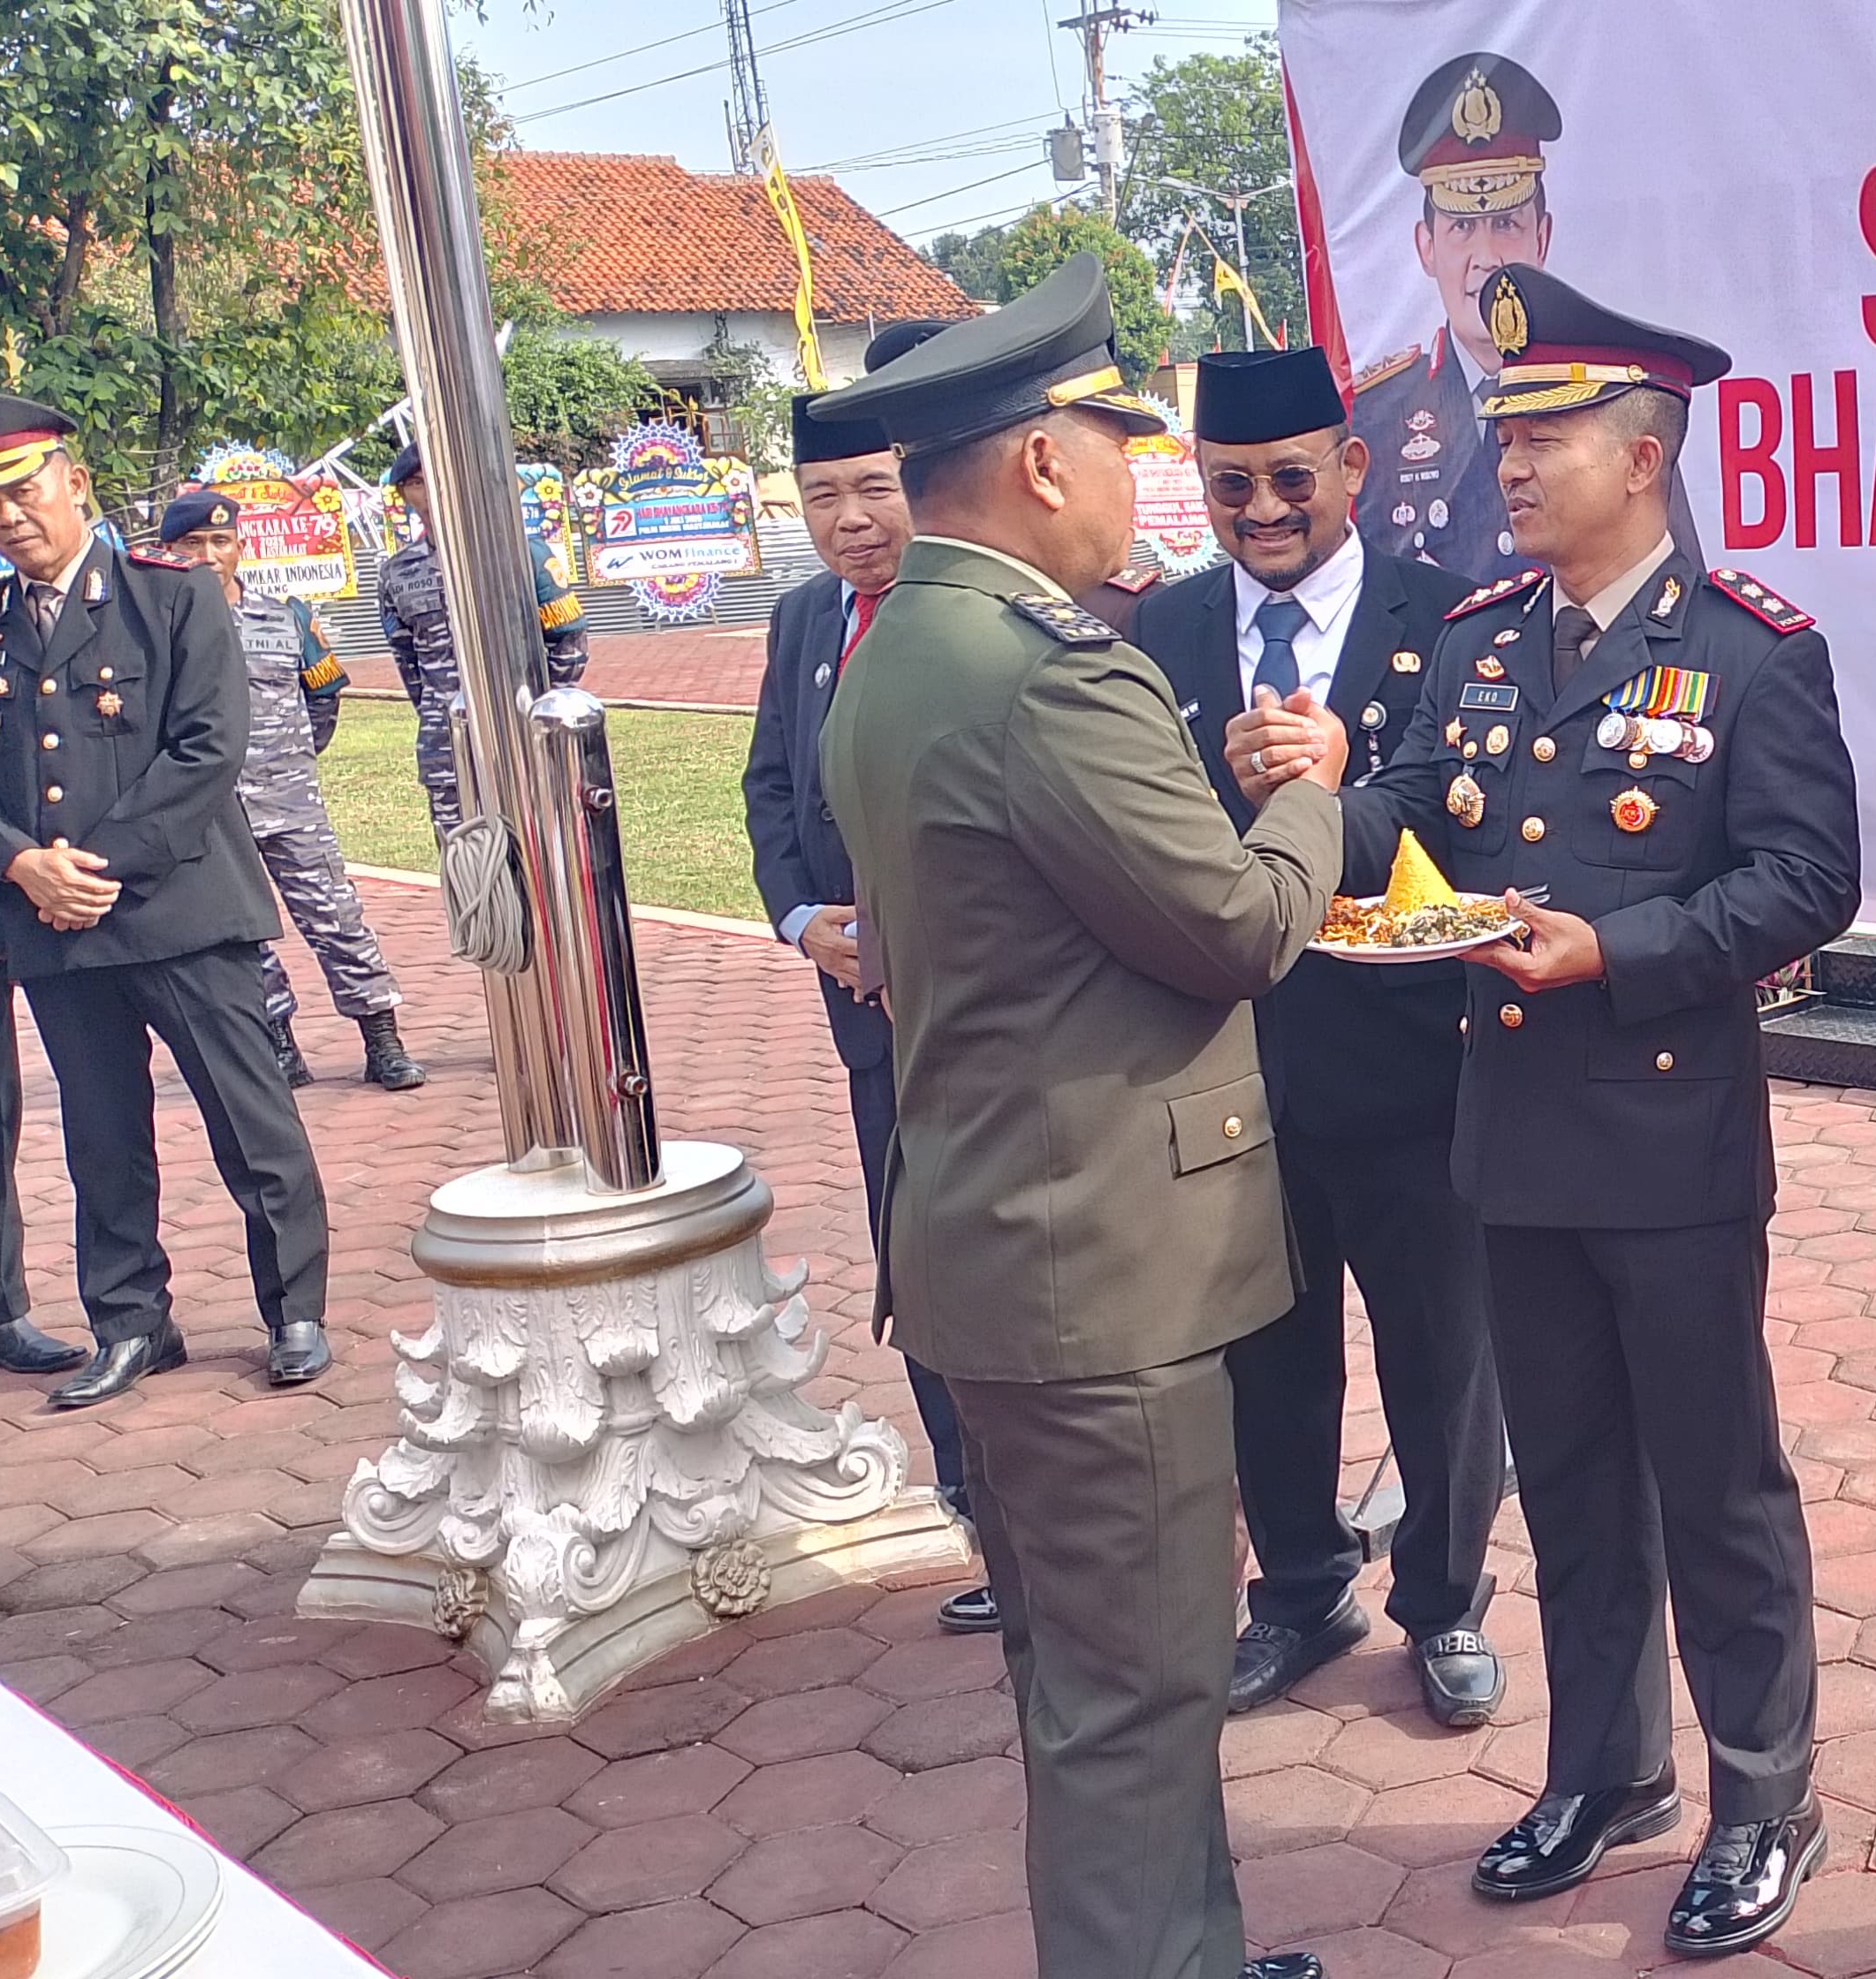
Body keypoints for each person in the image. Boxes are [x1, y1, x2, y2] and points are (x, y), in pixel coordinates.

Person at [1232, 262, 1858, 1958]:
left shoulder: (1750, 654)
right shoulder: (1482, 636)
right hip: (1505, 1134)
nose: (1510, 463)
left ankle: (1762, 1798)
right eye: (1505, 433)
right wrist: (1328, 794)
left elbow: (1810, 879)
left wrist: (1628, 948)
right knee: (1573, 1477)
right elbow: (1424, 816)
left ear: (1644, 455)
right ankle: (1606, 1772)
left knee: (1716, 1487)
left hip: (1666, 1139)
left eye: (1551, 432)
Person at [808, 254, 1335, 1979]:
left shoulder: (893, 650)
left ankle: (1185, 1946)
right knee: (1133, 1703)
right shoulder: (1050, 672)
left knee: (1089, 1685)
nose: (1145, 483)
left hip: (995, 1252)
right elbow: (1236, 927)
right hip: (1101, 1280)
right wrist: (1306, 801)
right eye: (1124, 446)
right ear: (1045, 459)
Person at [1117, 346, 1507, 1726]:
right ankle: (1297, 1588)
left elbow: (1460, 813)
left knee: (1441, 1353)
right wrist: (1227, 812)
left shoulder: (1454, 617)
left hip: (1409, 1059)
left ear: (1351, 468)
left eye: (1293, 477)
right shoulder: (1155, 635)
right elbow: (1133, 830)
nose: (1264, 509)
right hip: (1229, 1060)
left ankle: (1448, 1598)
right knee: (1264, 1351)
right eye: (1232, 486)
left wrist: (1317, 804)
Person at [0, 395, 331, 1410]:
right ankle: (131, 1321)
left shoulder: (171, 595)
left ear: (74, 482)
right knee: (100, 1136)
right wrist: (18, 866)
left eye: (22, 487)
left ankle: (292, 1307)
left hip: (178, 908)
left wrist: (91, 866)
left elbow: (207, 750)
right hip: (50, 925)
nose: (8, 516)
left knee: (248, 1118)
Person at [740, 326, 996, 1638]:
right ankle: (980, 1512)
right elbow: (770, 791)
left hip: (995, 1022)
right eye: (821, 500)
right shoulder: (800, 624)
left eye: (873, 491)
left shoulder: (988, 617)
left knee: (1022, 1262)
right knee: (924, 1261)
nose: (850, 524)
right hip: (869, 1019)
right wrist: (804, 924)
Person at [152, 490, 423, 1094]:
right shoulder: (154, 631)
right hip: (212, 814)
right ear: (167, 551)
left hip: (291, 803)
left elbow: (322, 696)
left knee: (336, 918)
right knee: (243, 933)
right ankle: (279, 1042)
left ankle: (382, 1039)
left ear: (239, 548)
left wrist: (291, 761)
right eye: (192, 544)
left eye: (219, 542)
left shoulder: (286, 617)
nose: (207, 555)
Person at [1348, 52, 1559, 581]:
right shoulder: (1375, 415)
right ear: (1426, 248)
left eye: (1507, 222)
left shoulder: (1600, 399)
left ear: (1542, 238)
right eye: (1461, 228)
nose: (1485, 257)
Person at [376, 442, 588, 841]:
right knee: (464, 864)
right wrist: (442, 713)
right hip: (447, 749)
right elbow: (409, 666)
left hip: (521, 739)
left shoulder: (521, 553)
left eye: (439, 479)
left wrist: (537, 711)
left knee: (536, 857)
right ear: (403, 494)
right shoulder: (396, 574)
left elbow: (569, 642)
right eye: (417, 483)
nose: (430, 492)